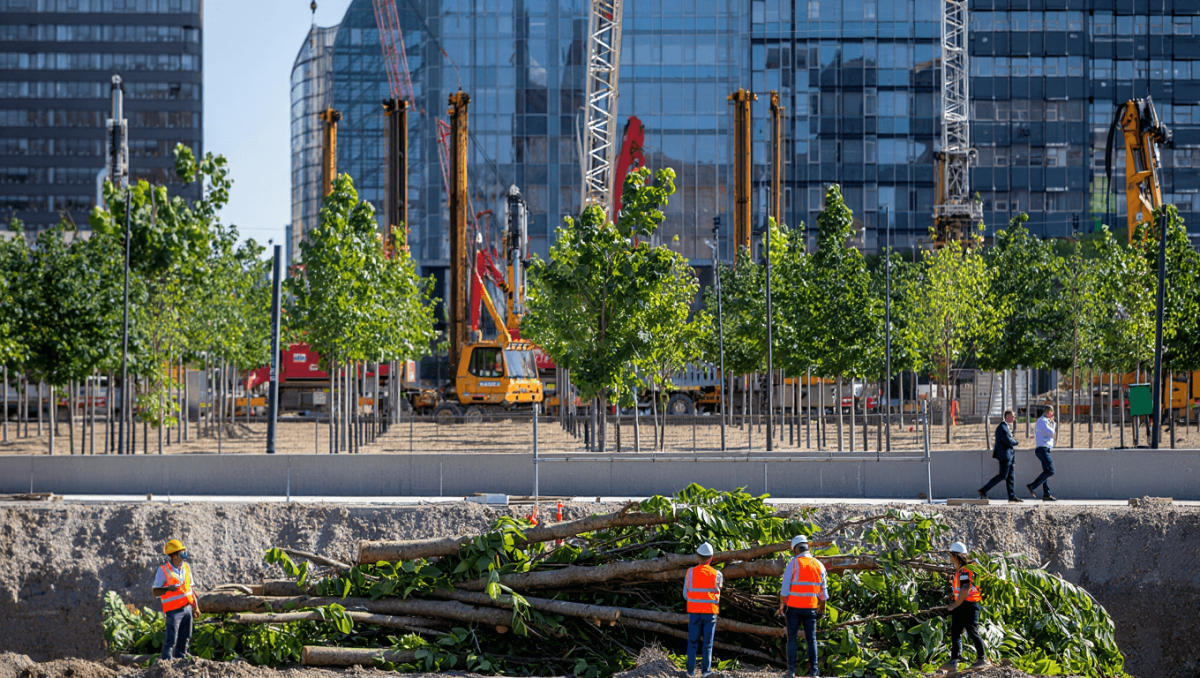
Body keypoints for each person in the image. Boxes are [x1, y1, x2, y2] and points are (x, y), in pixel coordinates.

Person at [777, 535, 827, 678]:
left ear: (795, 549)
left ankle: (791, 671)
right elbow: (823, 593)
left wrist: (782, 605)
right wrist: (821, 610)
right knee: (811, 639)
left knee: (792, 639)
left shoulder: (793, 564)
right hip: (811, 608)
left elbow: (784, 590)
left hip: (793, 609)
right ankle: (814, 672)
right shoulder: (819, 565)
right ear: (807, 547)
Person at [941, 541, 990, 672]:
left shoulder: (965, 570)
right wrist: (953, 599)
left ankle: (981, 658)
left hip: (968, 605)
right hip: (961, 604)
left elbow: (964, 589)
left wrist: (954, 604)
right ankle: (953, 661)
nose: (949, 557)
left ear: (955, 555)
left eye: (951, 555)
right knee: (956, 632)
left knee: (972, 631)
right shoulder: (959, 571)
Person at [152, 539, 200, 661]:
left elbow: (191, 590)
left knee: (185, 638)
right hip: (173, 612)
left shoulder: (186, 567)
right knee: (171, 640)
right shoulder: (163, 570)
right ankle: (166, 665)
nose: (185, 555)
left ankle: (180, 664)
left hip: (187, 609)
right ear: (175, 555)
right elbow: (155, 591)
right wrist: (168, 588)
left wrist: (196, 607)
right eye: (182, 553)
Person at [683, 542, 723, 678]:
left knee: (692, 642)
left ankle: (690, 672)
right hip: (710, 613)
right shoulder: (717, 574)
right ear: (711, 558)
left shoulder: (690, 573)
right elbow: (718, 591)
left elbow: (685, 594)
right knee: (708, 643)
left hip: (694, 612)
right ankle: (706, 672)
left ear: (697, 556)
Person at [978, 410, 1022, 503]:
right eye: (1012, 417)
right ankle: (983, 490)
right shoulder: (1002, 427)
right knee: (1003, 476)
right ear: (1008, 416)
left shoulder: (1005, 427)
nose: (1013, 419)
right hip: (1005, 456)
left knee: (1010, 477)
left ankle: (1012, 496)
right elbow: (1008, 441)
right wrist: (1016, 441)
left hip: (1010, 456)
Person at [1027, 406, 1058, 501]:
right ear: (1049, 412)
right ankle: (1032, 486)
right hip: (1042, 449)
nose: (1052, 415)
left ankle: (1046, 494)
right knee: (1050, 470)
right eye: (1052, 412)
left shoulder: (1045, 421)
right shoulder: (1043, 421)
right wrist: (1053, 424)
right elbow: (1051, 433)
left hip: (1044, 449)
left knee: (1046, 471)